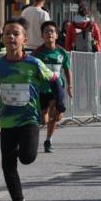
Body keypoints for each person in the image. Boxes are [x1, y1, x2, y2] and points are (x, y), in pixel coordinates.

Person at [0, 18, 64, 201]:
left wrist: (60, 102)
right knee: (7, 164)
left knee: (27, 157)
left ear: (24, 40)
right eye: (7, 33)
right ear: (3, 39)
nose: (11, 37)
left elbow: (56, 81)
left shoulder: (34, 63)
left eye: (16, 34)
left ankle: (18, 152)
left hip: (29, 119)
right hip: (7, 120)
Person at [31, 21, 73, 153]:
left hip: (57, 87)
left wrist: (70, 86)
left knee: (57, 114)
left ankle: (48, 140)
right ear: (42, 36)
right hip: (42, 88)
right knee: (44, 118)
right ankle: (44, 120)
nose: (49, 33)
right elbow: (32, 72)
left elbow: (67, 70)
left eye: (52, 31)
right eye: (46, 31)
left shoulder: (62, 52)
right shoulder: (37, 53)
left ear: (56, 35)